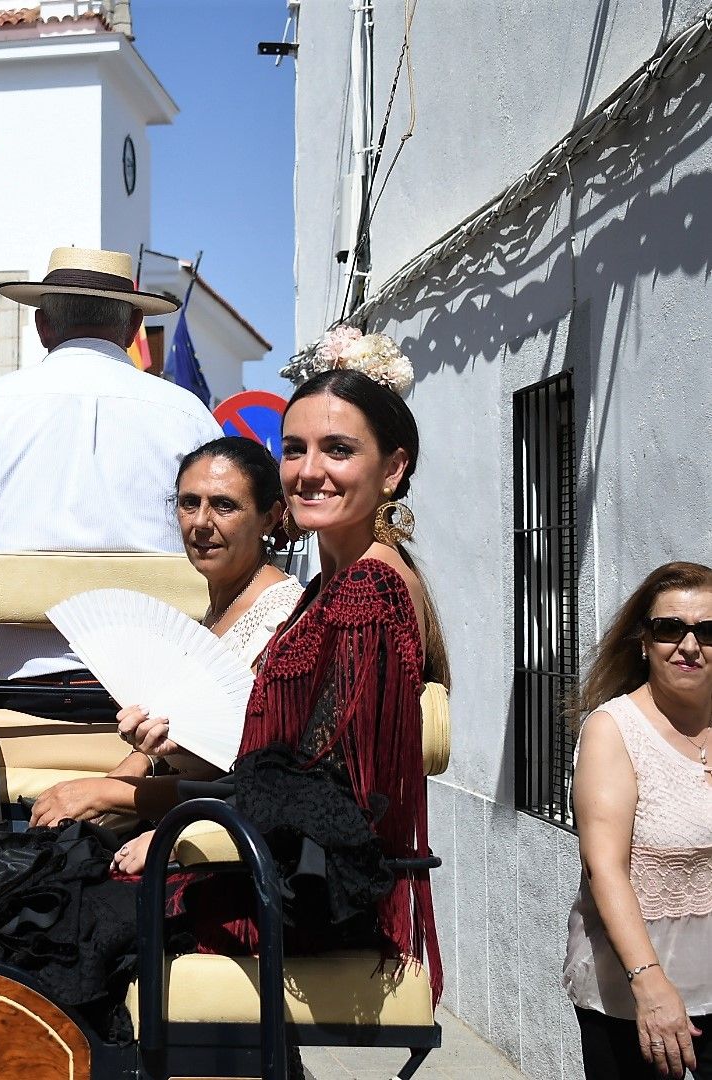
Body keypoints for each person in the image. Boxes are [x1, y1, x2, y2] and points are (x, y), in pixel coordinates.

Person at [117, 362, 450, 1008]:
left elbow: (326, 789)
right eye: (294, 449)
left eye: (339, 450)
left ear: (393, 470)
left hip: (305, 892)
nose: (308, 470)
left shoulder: (367, 591)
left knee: (70, 916)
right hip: (283, 866)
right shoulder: (345, 580)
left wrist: (178, 831)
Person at [0, 246, 222, 685]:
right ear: (134, 326)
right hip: (158, 697)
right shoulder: (189, 414)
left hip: (16, 695)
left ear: (42, 325)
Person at [29, 437, 304, 827]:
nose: (201, 522)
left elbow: (250, 776)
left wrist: (107, 793)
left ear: (270, 517)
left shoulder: (281, 621)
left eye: (224, 505)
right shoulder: (220, 607)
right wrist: (142, 757)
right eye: (189, 502)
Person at [563, 561, 711, 1080]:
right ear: (643, 642)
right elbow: (604, 868)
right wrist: (650, 985)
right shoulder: (614, 730)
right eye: (670, 629)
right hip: (634, 994)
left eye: (707, 631)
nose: (689, 646)